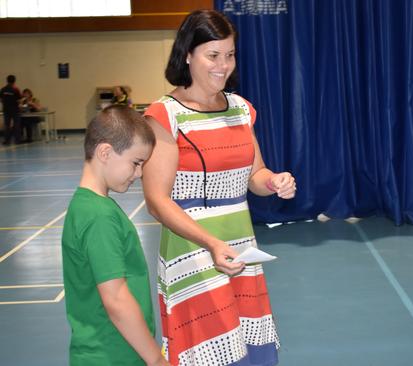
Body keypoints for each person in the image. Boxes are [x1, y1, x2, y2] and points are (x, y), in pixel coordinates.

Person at [142, 10, 296, 366]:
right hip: (193, 253)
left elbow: (255, 177)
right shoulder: (165, 115)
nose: (223, 65)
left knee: (252, 353)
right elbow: (156, 201)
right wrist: (211, 243)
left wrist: (274, 182)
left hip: (240, 252)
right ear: (187, 54)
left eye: (230, 55)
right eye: (213, 55)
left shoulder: (241, 109)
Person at [61, 105, 169, 366]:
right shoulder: (99, 215)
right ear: (105, 152)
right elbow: (116, 299)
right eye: (136, 163)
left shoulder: (88, 206)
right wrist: (155, 358)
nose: (140, 173)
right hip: (113, 355)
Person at [1, 74, 22, 145]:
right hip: (15, 110)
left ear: (7, 81)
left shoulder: (3, 89)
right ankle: (17, 141)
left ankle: (7, 141)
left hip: (6, 109)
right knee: (16, 125)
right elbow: (19, 100)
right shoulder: (16, 89)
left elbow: (1, 99)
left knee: (7, 125)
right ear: (14, 81)